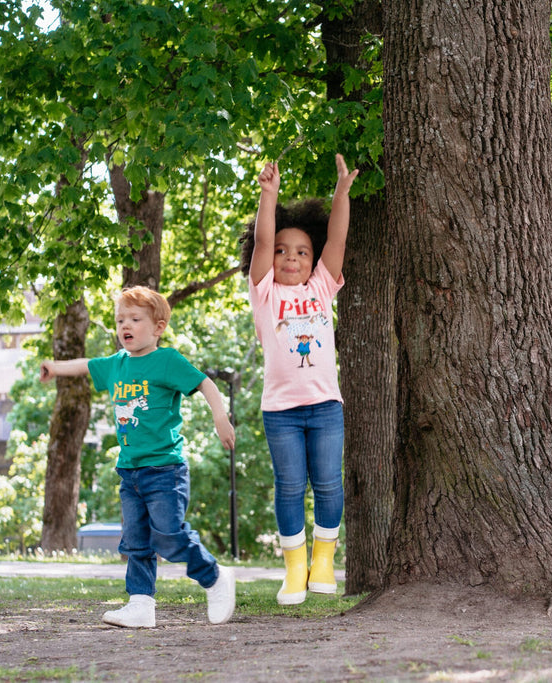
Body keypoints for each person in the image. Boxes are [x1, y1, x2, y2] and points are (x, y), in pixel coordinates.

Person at [40, 286, 237, 628]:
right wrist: (54, 367)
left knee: (169, 536)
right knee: (136, 541)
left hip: (165, 470)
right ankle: (141, 604)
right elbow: (86, 364)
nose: (124, 326)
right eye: (120, 320)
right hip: (129, 472)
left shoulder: (167, 361)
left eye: (134, 319)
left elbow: (205, 383)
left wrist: (220, 417)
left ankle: (215, 577)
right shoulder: (117, 364)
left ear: (158, 327)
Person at [239, 154, 358, 604]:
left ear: (313, 262)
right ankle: (293, 569)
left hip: (326, 405)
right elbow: (265, 236)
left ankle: (323, 558)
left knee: (328, 482)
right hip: (281, 411)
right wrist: (268, 196)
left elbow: (338, 240)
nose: (291, 257)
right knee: (289, 486)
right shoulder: (264, 293)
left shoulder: (321, 287)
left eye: (302, 251)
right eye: (282, 251)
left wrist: (340, 195)